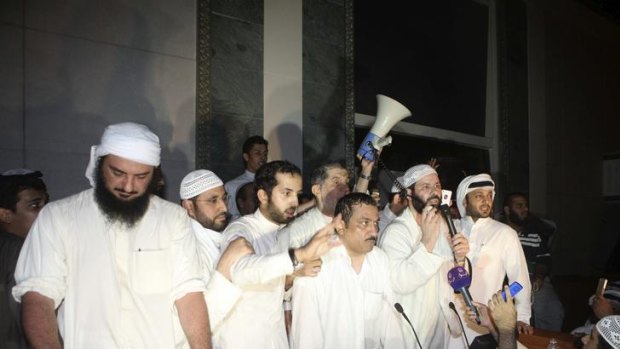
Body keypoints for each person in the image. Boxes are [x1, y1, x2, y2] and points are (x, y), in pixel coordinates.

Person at [13, 122, 211, 349]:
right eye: (118, 173)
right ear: (99, 163)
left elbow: (188, 294)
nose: (128, 186)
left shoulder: (174, 219)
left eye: (141, 176)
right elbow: (38, 297)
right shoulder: (58, 218)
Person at [216, 160, 341, 349]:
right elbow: (239, 271)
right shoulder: (241, 229)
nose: (294, 202)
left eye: (297, 195)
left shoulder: (281, 232)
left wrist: (293, 276)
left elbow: (273, 285)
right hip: (242, 339)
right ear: (263, 196)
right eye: (286, 193)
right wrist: (298, 256)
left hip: (275, 338)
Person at [290, 193, 405, 348]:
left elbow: (390, 325)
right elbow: (305, 334)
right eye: (364, 223)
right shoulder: (316, 261)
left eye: (376, 223)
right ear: (341, 225)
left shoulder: (380, 259)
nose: (374, 231)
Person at [378, 164, 469, 349]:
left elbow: (456, 283)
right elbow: (399, 282)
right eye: (426, 187)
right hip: (406, 330)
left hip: (437, 330)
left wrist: (460, 259)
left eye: (437, 185)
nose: (434, 191)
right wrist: (427, 243)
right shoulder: (395, 232)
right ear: (409, 194)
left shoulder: (445, 226)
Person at [451, 174, 532, 348]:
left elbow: (519, 279)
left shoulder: (505, 233)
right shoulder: (451, 228)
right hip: (449, 321)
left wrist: (522, 317)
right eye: (479, 196)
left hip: (485, 322)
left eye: (489, 196)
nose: (486, 201)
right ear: (464, 201)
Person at [179, 169, 247, 342]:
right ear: (189, 206)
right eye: (212, 200)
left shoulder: (220, 237)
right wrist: (226, 263)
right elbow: (199, 318)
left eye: (224, 198)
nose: (224, 207)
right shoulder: (186, 248)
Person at [502, 192, 564, 331]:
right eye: (519, 206)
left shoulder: (533, 234)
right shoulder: (498, 234)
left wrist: (539, 276)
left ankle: (545, 343)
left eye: (526, 206)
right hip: (509, 284)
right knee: (502, 305)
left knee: (550, 307)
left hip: (532, 280)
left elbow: (544, 259)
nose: (525, 209)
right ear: (507, 210)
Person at [0, 169, 48, 349]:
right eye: (35, 206)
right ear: (5, 214)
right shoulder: (21, 251)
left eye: (46, 204)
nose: (46, 212)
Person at [224, 136, 268, 219]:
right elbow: (230, 216)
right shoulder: (231, 186)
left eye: (265, 154)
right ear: (246, 157)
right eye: (257, 153)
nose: (263, 158)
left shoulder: (270, 183)